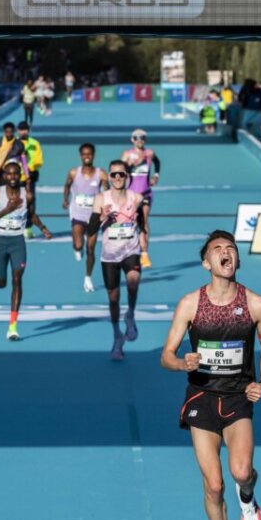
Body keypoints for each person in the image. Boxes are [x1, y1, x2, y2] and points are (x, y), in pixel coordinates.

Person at [160, 230, 261, 520]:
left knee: (241, 472)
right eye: (217, 250)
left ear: (237, 261)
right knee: (212, 485)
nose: (225, 254)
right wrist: (182, 364)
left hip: (239, 397)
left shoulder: (256, 304)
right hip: (202, 398)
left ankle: (248, 497)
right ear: (206, 262)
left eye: (231, 249)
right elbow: (165, 356)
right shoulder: (190, 304)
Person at [0, 160, 51, 341]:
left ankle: (13, 325)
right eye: (9, 174)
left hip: (17, 242)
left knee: (17, 279)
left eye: (15, 174)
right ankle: (1, 281)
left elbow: (31, 214)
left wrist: (42, 228)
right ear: (4, 176)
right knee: (1, 283)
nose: (12, 177)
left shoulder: (26, 195)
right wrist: (7, 210)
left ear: (20, 175)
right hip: (0, 241)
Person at [91, 160, 145, 360]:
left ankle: (130, 314)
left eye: (121, 174)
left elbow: (143, 224)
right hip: (109, 255)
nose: (117, 178)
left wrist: (145, 247)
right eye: (113, 175)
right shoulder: (100, 199)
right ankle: (116, 336)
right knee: (113, 298)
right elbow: (91, 230)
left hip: (130, 249)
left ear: (127, 176)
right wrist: (101, 217)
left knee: (133, 280)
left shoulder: (137, 198)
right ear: (110, 177)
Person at [62, 143, 108, 292]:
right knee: (79, 244)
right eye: (84, 154)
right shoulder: (74, 173)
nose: (87, 156)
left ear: (93, 155)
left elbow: (106, 191)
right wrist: (65, 199)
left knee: (91, 249)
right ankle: (77, 247)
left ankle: (88, 277)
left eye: (89, 154)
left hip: (94, 214)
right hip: (77, 212)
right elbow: (67, 186)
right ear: (80, 155)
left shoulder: (101, 174)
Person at [121, 129, 160, 268]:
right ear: (132, 140)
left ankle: (144, 254)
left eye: (142, 137)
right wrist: (130, 165)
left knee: (144, 220)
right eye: (136, 138)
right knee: (131, 222)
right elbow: (119, 171)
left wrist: (156, 176)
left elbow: (157, 162)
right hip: (131, 194)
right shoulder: (127, 154)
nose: (139, 140)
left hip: (145, 192)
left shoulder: (149, 153)